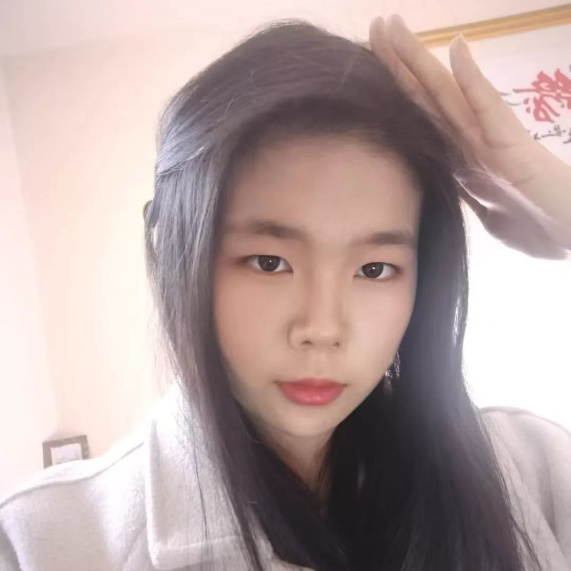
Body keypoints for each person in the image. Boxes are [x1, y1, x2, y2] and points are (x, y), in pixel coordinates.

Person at [1, 15, 570, 571]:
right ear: (176, 257)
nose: (322, 329)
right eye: (269, 263)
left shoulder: (533, 470)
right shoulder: (43, 544)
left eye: (374, 269)